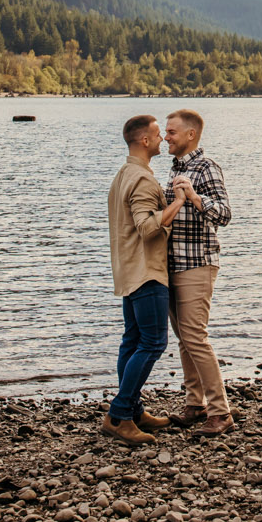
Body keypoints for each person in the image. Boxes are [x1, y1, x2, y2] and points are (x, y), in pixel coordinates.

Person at [104, 113, 185, 445]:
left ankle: (134, 410)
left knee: (132, 340)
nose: (163, 139)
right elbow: (148, 228)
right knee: (153, 343)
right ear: (144, 141)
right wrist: (179, 201)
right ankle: (119, 414)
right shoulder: (141, 180)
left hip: (127, 271)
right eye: (157, 134)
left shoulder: (123, 175)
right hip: (146, 273)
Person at [164, 108, 234, 435]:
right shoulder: (176, 168)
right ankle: (195, 404)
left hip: (198, 262)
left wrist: (194, 197)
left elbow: (224, 214)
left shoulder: (206, 168)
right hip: (174, 264)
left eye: (172, 132)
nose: (166, 136)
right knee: (184, 339)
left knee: (195, 337)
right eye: (166, 131)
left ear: (190, 135)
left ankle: (220, 412)